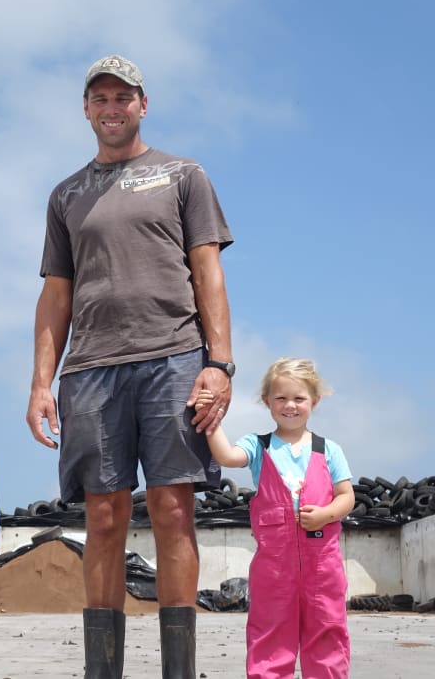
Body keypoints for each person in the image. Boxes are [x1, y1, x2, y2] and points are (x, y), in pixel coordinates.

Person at [26, 54, 235, 679]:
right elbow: (55, 293)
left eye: (124, 97)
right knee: (104, 514)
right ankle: (103, 671)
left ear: (143, 105)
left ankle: (180, 670)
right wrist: (41, 382)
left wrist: (218, 362)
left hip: (174, 357)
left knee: (173, 509)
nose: (112, 108)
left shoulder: (182, 175)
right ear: (86, 110)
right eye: (100, 99)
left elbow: (208, 271)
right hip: (89, 369)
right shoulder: (65, 195)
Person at [197, 358, 354, 678]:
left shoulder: (329, 450)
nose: (290, 406)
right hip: (274, 568)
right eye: (281, 398)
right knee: (269, 634)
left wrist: (326, 514)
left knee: (327, 632)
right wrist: (210, 418)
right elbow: (227, 456)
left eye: (299, 398)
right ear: (267, 401)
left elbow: (347, 497)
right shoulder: (258, 446)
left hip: (323, 566)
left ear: (315, 401)